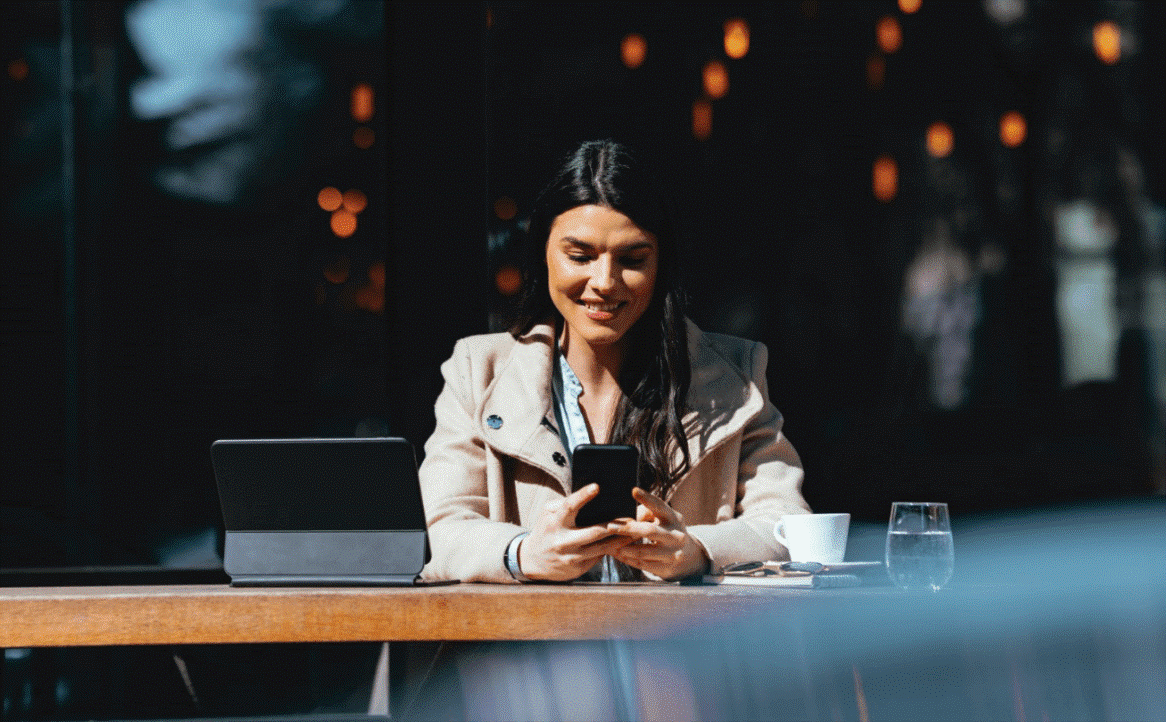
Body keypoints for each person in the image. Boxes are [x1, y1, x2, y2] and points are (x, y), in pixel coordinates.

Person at [418, 139, 810, 584]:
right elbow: (440, 529)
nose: (604, 282)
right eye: (580, 256)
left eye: (632, 259)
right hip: (525, 650)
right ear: (542, 253)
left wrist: (697, 550)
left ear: (662, 263)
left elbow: (786, 525)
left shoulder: (734, 375)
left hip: (677, 648)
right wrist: (524, 553)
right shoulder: (478, 370)